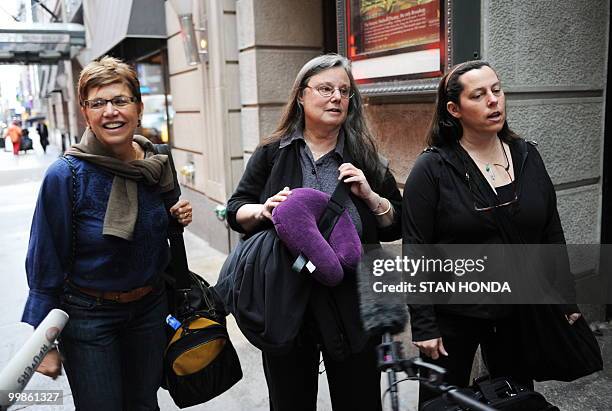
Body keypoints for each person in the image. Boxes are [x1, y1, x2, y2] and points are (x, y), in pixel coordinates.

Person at [226, 53, 402, 410]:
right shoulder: (272, 154)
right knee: (290, 400)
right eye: (325, 88)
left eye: (344, 91)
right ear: (302, 96)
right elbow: (235, 210)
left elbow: (395, 225)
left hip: (352, 303)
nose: (336, 97)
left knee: (360, 400)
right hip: (287, 299)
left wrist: (370, 197)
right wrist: (262, 209)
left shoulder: (366, 157)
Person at [401, 60, 582, 406]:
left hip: (518, 310)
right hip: (454, 314)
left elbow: (550, 230)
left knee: (514, 397)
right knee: (442, 402)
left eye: (497, 90)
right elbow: (416, 248)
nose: (493, 101)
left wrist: (563, 292)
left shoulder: (528, 156)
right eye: (479, 95)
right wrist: (424, 324)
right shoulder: (433, 168)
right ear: (454, 109)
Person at [21, 56, 193, 410]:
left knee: (144, 403)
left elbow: (158, 224)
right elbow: (44, 258)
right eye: (97, 103)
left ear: (138, 107)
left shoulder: (156, 160)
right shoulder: (65, 175)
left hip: (149, 308)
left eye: (119, 100)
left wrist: (176, 217)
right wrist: (44, 340)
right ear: (86, 114)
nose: (110, 111)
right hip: (88, 317)